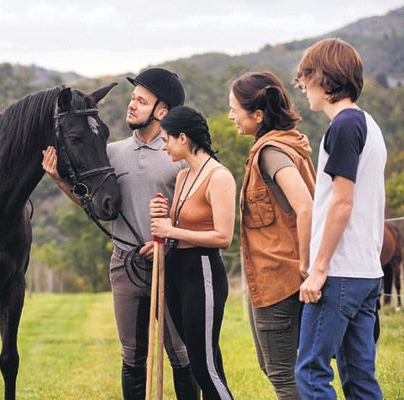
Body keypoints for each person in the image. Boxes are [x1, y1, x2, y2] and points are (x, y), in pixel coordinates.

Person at [43, 68, 199, 399]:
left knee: (181, 355)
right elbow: (92, 203)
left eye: (141, 101)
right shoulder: (112, 154)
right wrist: (59, 179)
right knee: (132, 357)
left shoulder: (180, 155)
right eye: (132, 98)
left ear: (162, 111)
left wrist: (170, 241)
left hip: (170, 265)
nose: (131, 105)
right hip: (124, 266)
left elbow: (200, 213)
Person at [293, 38, 386, 399]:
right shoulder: (368, 124)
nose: (303, 86)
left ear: (325, 78)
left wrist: (318, 270)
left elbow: (342, 204)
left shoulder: (344, 126)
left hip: (340, 273)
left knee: (312, 371)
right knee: (361, 378)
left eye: (306, 77)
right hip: (366, 273)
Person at [228, 72, 315, 399]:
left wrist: (306, 265)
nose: (231, 116)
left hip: (280, 278)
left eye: (235, 109)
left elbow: (305, 207)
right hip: (274, 278)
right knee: (279, 368)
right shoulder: (289, 143)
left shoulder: (271, 152)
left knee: (282, 374)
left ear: (259, 115)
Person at [149, 105, 236, 399]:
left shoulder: (219, 177)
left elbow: (223, 237)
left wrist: (171, 231)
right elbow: (177, 225)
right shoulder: (184, 177)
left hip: (203, 272)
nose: (164, 147)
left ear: (183, 138)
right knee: (203, 361)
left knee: (202, 366)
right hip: (178, 269)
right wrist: (163, 223)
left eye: (166, 139)